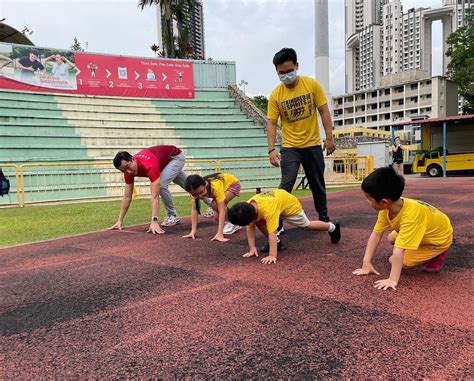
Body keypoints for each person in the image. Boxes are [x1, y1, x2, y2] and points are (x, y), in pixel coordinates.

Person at [266, 47, 336, 240]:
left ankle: (324, 219)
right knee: (286, 184)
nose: (286, 75)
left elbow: (323, 111)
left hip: (312, 144)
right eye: (281, 73)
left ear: (297, 66)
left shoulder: (311, 85)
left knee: (317, 184)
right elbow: (271, 123)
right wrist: (271, 149)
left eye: (289, 71)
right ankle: (277, 226)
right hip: (290, 147)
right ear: (277, 72)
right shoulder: (276, 95)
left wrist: (329, 138)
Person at [353, 167, 453, 290]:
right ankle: (416, 247)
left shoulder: (410, 217)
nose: (367, 201)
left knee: (399, 262)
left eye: (368, 198)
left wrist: (392, 279)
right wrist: (366, 263)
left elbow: (398, 250)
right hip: (426, 229)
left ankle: (438, 253)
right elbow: (376, 235)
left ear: (384, 202)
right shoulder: (388, 208)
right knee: (391, 238)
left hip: (439, 238)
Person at [227, 189, 341, 265]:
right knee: (258, 221)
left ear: (251, 217)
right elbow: (250, 227)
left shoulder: (268, 210)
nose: (248, 224)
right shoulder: (247, 207)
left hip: (289, 205)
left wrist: (272, 255)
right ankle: (277, 243)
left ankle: (332, 227)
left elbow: (272, 232)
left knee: (306, 226)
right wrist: (252, 248)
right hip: (277, 200)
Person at [109, 145, 187, 234]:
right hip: (164, 163)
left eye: (128, 167)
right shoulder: (128, 171)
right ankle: (207, 201)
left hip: (175, 158)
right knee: (189, 185)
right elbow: (127, 196)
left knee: (161, 186)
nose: (128, 172)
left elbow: (155, 196)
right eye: (123, 171)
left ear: (132, 159)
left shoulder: (149, 164)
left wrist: (154, 220)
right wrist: (120, 220)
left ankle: (172, 215)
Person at [183, 173, 242, 242]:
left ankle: (235, 220)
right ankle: (235, 220)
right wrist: (193, 231)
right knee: (216, 217)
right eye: (195, 195)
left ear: (205, 184)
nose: (200, 196)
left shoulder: (215, 186)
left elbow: (222, 210)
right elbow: (194, 210)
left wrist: (220, 234)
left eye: (201, 192)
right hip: (223, 187)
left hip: (233, 185)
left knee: (215, 204)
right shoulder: (195, 191)